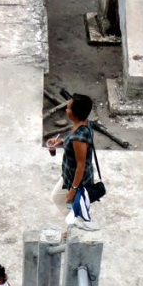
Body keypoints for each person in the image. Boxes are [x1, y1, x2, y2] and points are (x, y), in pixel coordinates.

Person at [47, 92, 100, 231]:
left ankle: (77, 227)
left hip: (78, 180)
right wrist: (62, 141)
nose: (66, 110)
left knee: (71, 203)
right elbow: (78, 148)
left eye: (69, 108)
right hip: (69, 175)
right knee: (58, 198)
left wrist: (73, 189)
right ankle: (74, 223)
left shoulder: (78, 138)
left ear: (75, 113)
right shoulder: (83, 124)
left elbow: (80, 165)